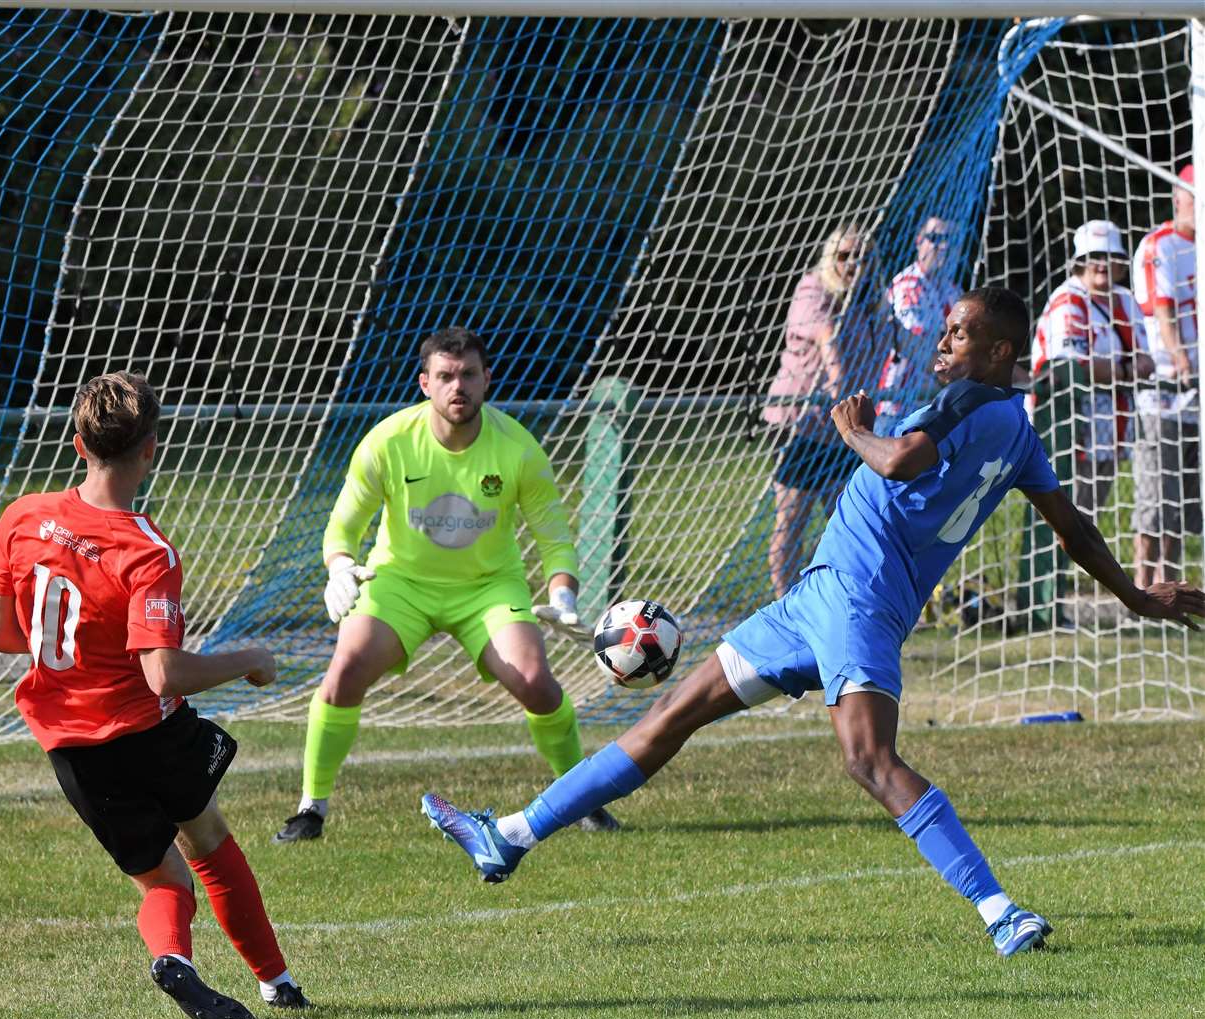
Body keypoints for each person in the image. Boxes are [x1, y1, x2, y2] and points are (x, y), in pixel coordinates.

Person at [422, 287, 1205, 958]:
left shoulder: (975, 400)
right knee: (670, 714)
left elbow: (897, 461)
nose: (944, 339)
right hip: (819, 598)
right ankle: (512, 835)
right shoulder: (1020, 433)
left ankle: (1001, 911)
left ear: (1000, 351)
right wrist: (1134, 595)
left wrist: (852, 431)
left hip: (856, 597)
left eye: (960, 332)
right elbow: (1071, 526)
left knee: (869, 761)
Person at [0, 372, 309, 1019]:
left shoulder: (22, 518)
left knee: (163, 882)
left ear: (78, 445)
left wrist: (70, 653)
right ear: (151, 449)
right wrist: (248, 660)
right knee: (208, 838)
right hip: (147, 732)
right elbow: (162, 675)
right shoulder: (145, 550)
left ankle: (175, 960)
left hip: (72, 749)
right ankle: (278, 983)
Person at [274, 327, 616, 842]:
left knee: (535, 682)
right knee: (345, 669)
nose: (458, 386)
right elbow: (343, 526)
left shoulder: (518, 448)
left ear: (487, 380)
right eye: (445, 376)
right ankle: (310, 810)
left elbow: (554, 536)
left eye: (469, 375)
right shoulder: (387, 442)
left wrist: (563, 593)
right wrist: (340, 567)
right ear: (424, 383)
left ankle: (581, 800)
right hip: (400, 584)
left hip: (489, 588)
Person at [1016, 220, 1154, 628]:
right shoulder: (1067, 301)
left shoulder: (1126, 301)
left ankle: (1055, 601)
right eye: (1092, 257)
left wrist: (1118, 369)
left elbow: (1146, 361)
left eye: (1109, 257)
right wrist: (1123, 369)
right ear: (1079, 262)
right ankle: (1040, 607)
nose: (1100, 265)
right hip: (1065, 425)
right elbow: (1073, 367)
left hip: (1113, 426)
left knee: (1086, 517)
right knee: (1060, 518)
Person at [764, 224, 879, 597]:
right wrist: (838, 382)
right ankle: (783, 603)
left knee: (845, 520)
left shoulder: (869, 300)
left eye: (861, 257)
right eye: (844, 255)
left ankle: (831, 597)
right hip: (800, 423)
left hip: (842, 430)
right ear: (831, 257)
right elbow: (825, 335)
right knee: (792, 519)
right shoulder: (813, 289)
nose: (852, 264)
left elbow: (899, 345)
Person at [1132, 164, 1199, 594]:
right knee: (1155, 494)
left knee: (1184, 500)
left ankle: (1168, 582)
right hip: (1165, 393)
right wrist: (1181, 359)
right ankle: (1141, 588)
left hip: (1198, 401)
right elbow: (1163, 310)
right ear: (1180, 197)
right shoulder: (1161, 246)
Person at [874, 216, 963, 434]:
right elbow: (918, 350)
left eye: (951, 239)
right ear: (918, 241)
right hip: (896, 408)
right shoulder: (909, 287)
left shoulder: (952, 290)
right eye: (935, 238)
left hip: (930, 407)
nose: (944, 246)